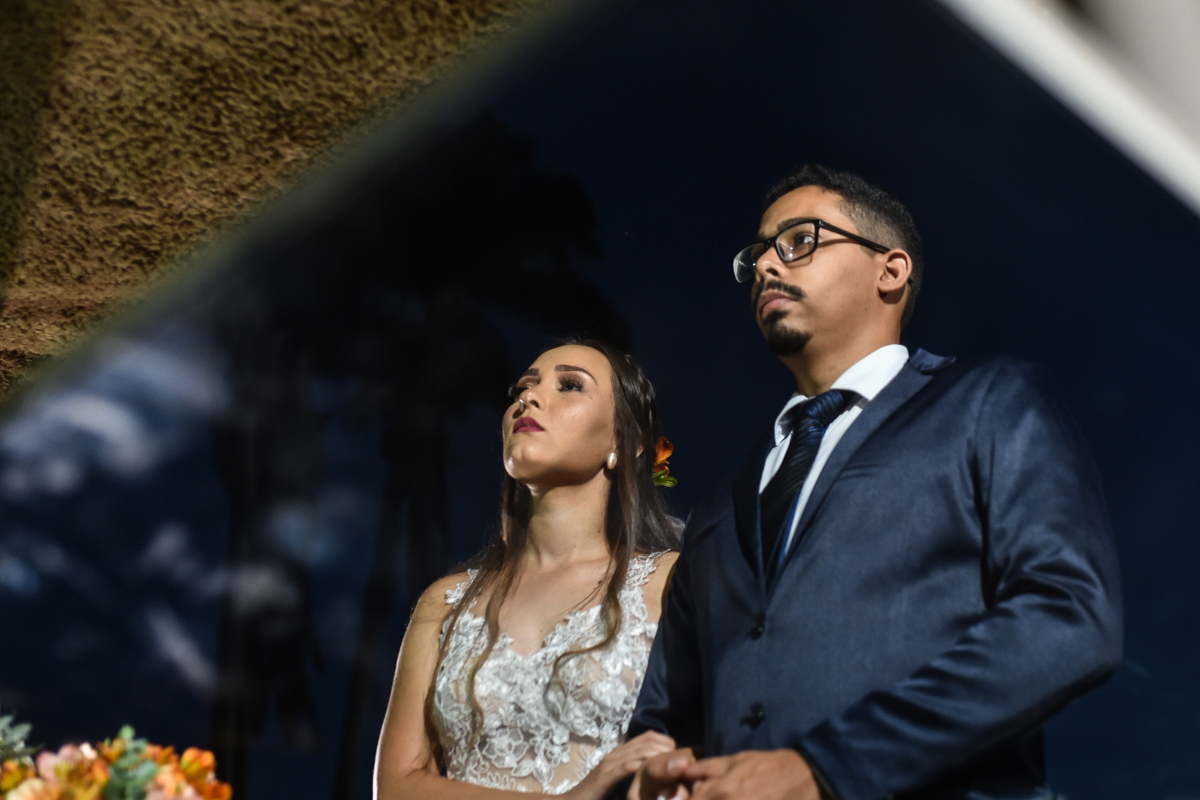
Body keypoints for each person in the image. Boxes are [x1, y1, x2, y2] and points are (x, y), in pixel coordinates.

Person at [627, 165, 1122, 800]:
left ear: (890, 270)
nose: (767, 266)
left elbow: (1069, 616)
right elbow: (663, 720)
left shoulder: (991, 401)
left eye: (799, 240)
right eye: (758, 255)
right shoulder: (718, 508)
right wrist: (654, 773)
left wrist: (824, 767)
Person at [375, 339, 681, 799]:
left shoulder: (671, 581)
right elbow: (395, 786)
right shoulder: (446, 602)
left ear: (623, 442)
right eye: (523, 388)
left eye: (570, 385)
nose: (529, 397)